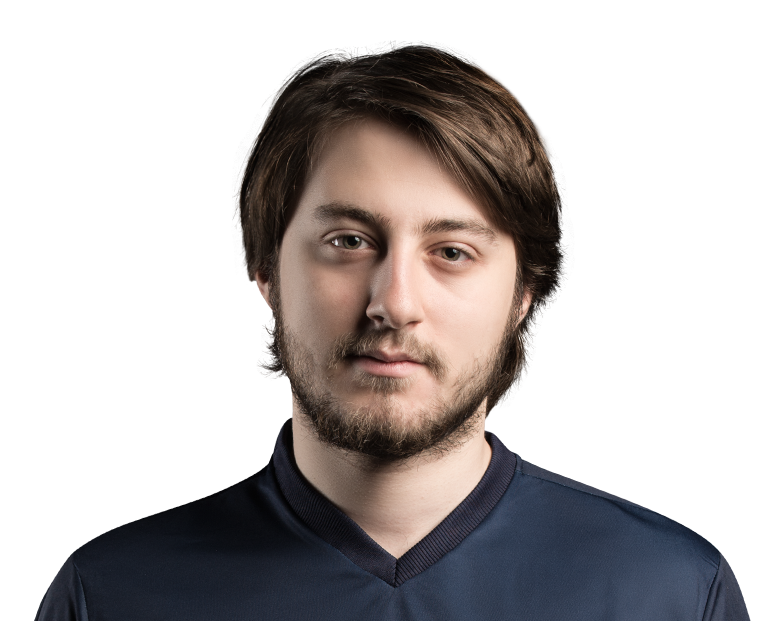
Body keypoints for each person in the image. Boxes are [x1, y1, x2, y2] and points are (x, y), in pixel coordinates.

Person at [37, 45, 749, 620]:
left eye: (452, 252)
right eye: (348, 241)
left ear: (522, 295)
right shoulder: (112, 597)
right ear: (264, 271)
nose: (395, 303)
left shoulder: (671, 593)